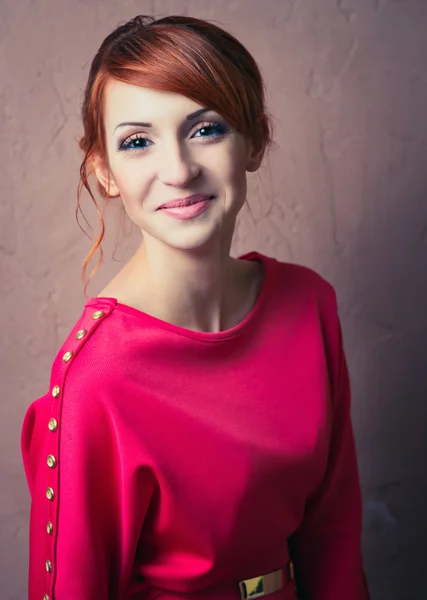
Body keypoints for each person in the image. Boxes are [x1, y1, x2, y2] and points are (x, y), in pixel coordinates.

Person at [21, 14, 371, 600]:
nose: (179, 170)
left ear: (254, 140)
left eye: (206, 129)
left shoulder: (309, 305)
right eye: (137, 142)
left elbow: (334, 540)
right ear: (104, 171)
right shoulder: (95, 381)